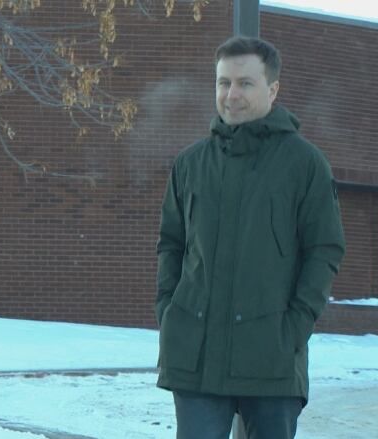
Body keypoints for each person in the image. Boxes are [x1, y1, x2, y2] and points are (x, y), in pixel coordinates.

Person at [155, 36, 345, 439]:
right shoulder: (190, 163)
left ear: (272, 90)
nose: (232, 94)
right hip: (196, 356)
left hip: (272, 359)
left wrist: (293, 328)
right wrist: (169, 313)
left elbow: (324, 250)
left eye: (245, 83)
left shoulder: (304, 164)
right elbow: (171, 244)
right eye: (224, 83)